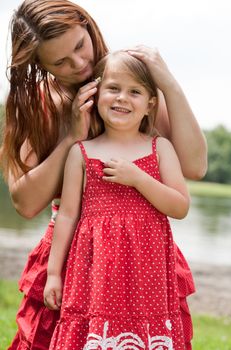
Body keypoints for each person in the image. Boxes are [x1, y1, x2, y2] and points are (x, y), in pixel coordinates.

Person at [0, 0, 206, 349]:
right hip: (74, 256)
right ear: (40, 65)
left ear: (87, 25)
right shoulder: (40, 104)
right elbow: (24, 202)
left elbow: (195, 167)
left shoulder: (129, 85)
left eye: (80, 46)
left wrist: (167, 83)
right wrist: (71, 138)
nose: (79, 64)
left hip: (142, 253)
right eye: (60, 62)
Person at [44, 50, 191, 350]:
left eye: (134, 91)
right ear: (97, 95)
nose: (122, 98)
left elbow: (180, 206)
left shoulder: (159, 148)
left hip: (145, 276)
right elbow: (68, 215)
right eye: (113, 88)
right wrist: (52, 274)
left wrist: (138, 179)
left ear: (150, 104)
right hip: (94, 274)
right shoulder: (81, 153)